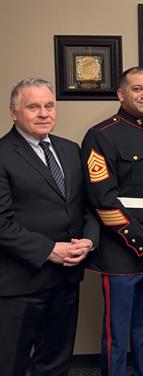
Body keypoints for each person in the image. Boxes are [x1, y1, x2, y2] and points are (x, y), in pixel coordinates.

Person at [81, 67, 143, 376]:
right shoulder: (101, 135)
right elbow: (103, 202)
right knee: (117, 329)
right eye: (138, 89)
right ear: (121, 94)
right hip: (120, 251)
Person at [0, 78, 99, 375]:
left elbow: (88, 208)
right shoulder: (3, 155)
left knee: (56, 362)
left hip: (65, 279)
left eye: (49, 106)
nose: (44, 113)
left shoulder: (70, 150)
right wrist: (49, 250)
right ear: (14, 113)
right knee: (11, 364)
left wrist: (89, 242)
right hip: (20, 284)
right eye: (33, 107)